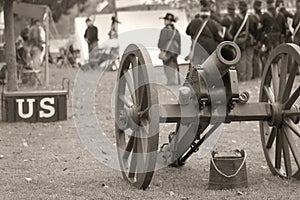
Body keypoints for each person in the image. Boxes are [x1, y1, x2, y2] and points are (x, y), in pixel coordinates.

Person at [186, 0, 223, 65]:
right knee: (209, 68)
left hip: (197, 48)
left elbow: (187, 32)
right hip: (210, 50)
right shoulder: (213, 23)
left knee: (196, 68)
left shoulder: (194, 21)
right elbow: (219, 38)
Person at [230, 0, 256, 81]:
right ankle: (249, 78)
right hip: (249, 42)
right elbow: (255, 30)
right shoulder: (251, 18)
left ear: (240, 9)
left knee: (241, 62)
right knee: (249, 61)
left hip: (240, 43)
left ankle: (243, 79)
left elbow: (232, 32)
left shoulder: (236, 19)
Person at [158, 13, 181, 85]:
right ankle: (172, 80)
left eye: (166, 20)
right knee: (173, 66)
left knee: (167, 66)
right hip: (175, 51)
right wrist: (177, 51)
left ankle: (171, 81)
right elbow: (179, 42)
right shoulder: (176, 31)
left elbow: (161, 42)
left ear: (169, 21)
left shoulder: (164, 30)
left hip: (167, 51)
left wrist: (161, 49)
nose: (165, 21)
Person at [251, 0, 263, 78]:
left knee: (256, 58)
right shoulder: (263, 16)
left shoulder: (253, 17)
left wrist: (256, 40)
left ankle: (257, 75)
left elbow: (254, 30)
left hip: (257, 39)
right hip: (263, 39)